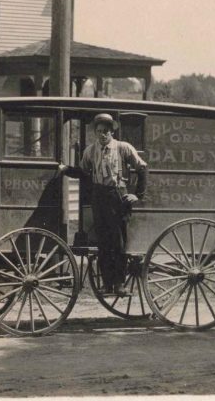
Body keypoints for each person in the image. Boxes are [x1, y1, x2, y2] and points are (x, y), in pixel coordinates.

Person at [58, 113, 148, 296]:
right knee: (103, 243)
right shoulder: (90, 151)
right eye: (99, 131)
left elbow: (142, 168)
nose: (102, 135)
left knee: (119, 242)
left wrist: (137, 195)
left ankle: (119, 284)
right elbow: (83, 172)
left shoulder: (123, 148)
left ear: (112, 131)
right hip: (99, 197)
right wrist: (66, 170)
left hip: (118, 196)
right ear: (95, 133)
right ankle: (107, 285)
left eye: (106, 131)